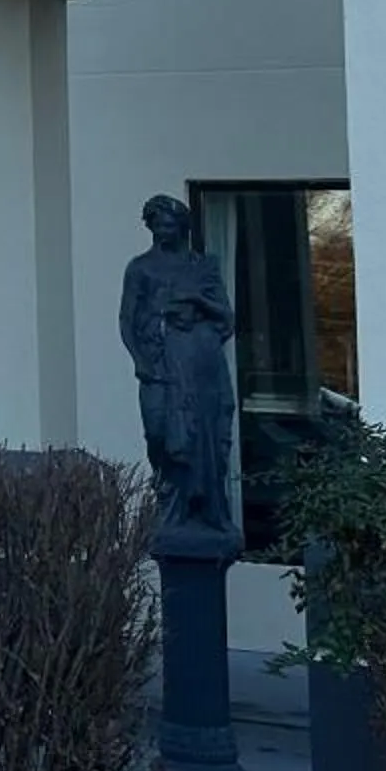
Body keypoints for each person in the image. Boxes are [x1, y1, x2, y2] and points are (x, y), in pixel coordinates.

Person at [119, 194, 239, 545]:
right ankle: (169, 499)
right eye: (156, 226)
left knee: (203, 435)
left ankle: (203, 509)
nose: (162, 232)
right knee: (158, 431)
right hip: (158, 364)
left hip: (198, 362)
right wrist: (140, 359)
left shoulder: (203, 267)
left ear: (182, 227)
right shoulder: (140, 268)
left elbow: (226, 318)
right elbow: (127, 319)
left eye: (168, 226)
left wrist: (196, 299)